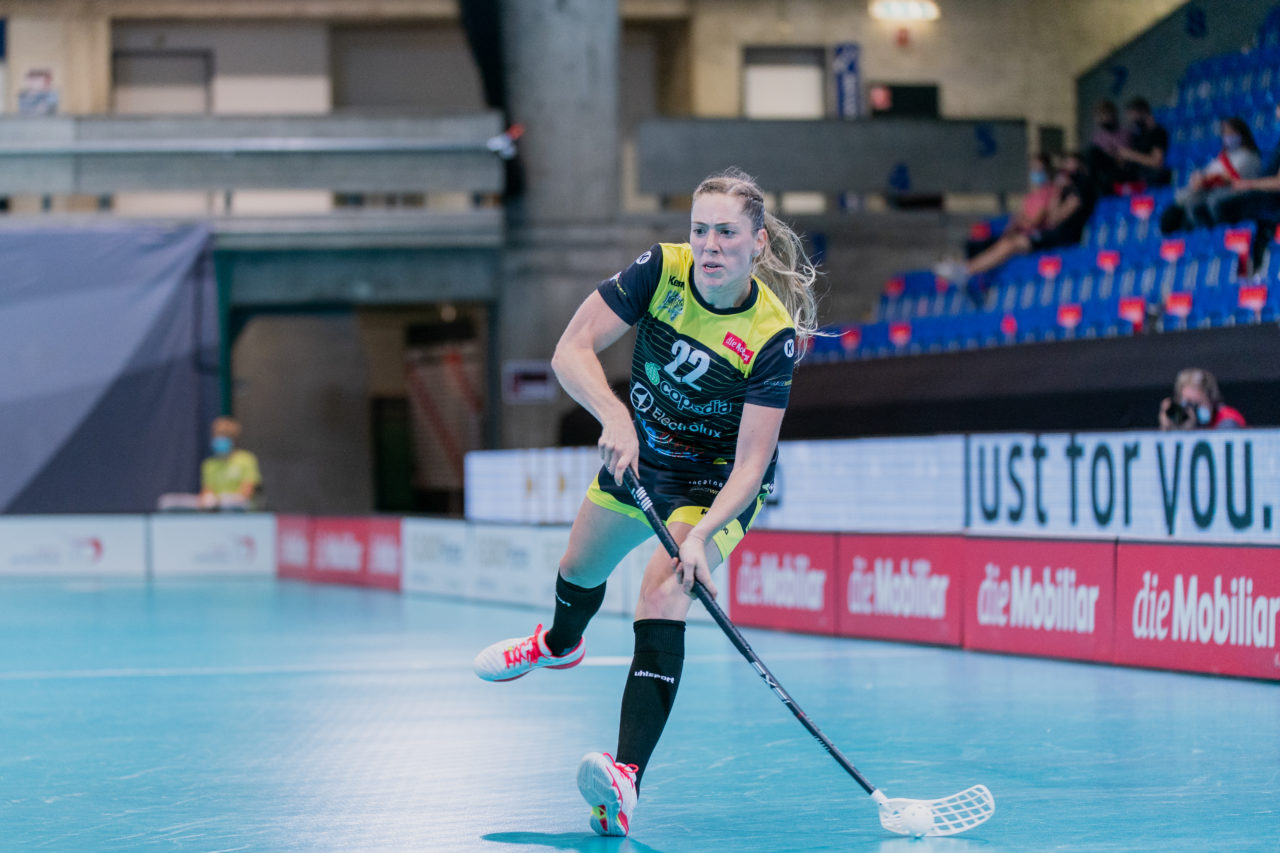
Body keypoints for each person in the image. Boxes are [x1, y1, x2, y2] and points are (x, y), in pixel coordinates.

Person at [472, 168, 816, 837]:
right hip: (644, 457)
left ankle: (625, 777)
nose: (709, 245)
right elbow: (571, 349)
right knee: (578, 569)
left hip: (714, 486)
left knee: (662, 591)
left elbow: (752, 463)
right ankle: (558, 643)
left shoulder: (771, 335)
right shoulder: (661, 272)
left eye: (725, 232)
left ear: (758, 243)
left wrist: (701, 536)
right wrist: (613, 414)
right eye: (699, 229)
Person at [937, 152, 1096, 290]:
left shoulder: (1081, 189)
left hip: (1064, 237)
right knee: (998, 242)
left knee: (1013, 243)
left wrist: (1057, 193)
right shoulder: (1063, 190)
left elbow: (1055, 219)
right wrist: (1058, 193)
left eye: (1069, 168)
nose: (1066, 173)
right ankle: (966, 269)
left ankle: (965, 271)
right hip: (1052, 234)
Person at [1160, 117, 1262, 233]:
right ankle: (1200, 237)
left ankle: (1221, 232)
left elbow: (1233, 177)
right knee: (1187, 205)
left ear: (1241, 133)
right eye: (1225, 133)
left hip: (1239, 192)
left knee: (1212, 201)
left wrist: (1208, 179)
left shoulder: (1249, 155)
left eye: (1230, 133)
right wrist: (1198, 178)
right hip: (1215, 189)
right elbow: (1207, 172)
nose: (1227, 136)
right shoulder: (1223, 156)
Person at [965, 153, 1056, 258]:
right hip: (1020, 230)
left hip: (1035, 235)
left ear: (1047, 170)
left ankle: (968, 269)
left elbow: (1035, 221)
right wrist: (1012, 226)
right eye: (1033, 169)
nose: (1034, 172)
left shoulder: (1050, 193)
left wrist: (1020, 222)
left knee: (1006, 244)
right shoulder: (1031, 195)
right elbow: (1019, 215)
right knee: (979, 242)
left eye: (1038, 169)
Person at [1210, 104, 1280, 227]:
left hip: (1272, 198)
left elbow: (1278, 183)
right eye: (1277, 119)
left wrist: (1249, 184)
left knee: (1221, 204)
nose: (1277, 123)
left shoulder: (1249, 155)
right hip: (1262, 193)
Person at [200, 416, 262, 509]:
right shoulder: (209, 464)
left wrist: (227, 500)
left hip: (243, 512)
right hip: (217, 513)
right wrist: (211, 501)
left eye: (223, 436)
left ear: (232, 439)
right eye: (217, 436)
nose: (219, 440)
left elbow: (248, 490)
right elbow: (207, 492)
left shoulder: (246, 460)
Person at [1158, 368, 1246, 430]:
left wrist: (1192, 432)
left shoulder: (1227, 420)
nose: (1192, 410)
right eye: (1188, 403)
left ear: (1212, 398)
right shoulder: (1183, 419)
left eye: (1197, 403)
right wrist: (1168, 430)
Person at [1114, 97, 1171, 189]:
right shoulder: (1138, 135)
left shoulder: (1158, 132)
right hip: (1137, 173)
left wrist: (1131, 155)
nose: (1132, 120)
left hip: (1151, 175)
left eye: (1134, 115)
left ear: (1143, 112)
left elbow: (1156, 162)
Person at [1085, 99, 1129, 193]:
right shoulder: (1098, 136)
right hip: (1100, 172)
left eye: (1104, 114)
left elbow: (1124, 158)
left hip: (1117, 169)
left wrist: (1112, 154)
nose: (1101, 118)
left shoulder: (1124, 133)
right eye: (1099, 115)